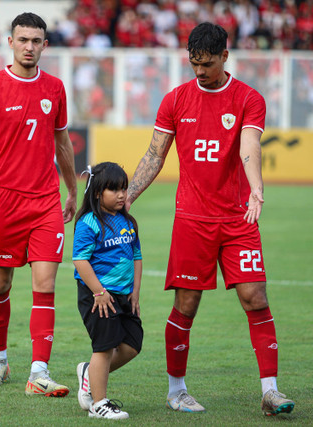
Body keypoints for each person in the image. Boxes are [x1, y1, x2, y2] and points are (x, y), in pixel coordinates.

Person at [126, 22, 295, 416]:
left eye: (206, 63)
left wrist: (256, 188)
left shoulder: (248, 99)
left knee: (255, 297)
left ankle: (270, 391)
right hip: (192, 219)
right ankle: (176, 390)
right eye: (193, 63)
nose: (199, 71)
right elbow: (155, 155)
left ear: (225, 56)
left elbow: (249, 146)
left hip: (238, 218)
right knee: (186, 304)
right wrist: (128, 196)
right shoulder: (175, 100)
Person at [0, 12, 77, 396]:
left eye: (36, 41)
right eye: (23, 39)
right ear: (10, 42)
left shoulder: (55, 88)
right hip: (4, 201)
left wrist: (72, 190)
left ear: (45, 45)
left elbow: (63, 143)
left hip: (45, 203)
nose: (29, 47)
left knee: (45, 283)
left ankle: (39, 371)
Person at [72, 163, 142, 420]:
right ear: (98, 192)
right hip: (99, 296)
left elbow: (137, 256)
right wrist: (99, 292)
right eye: (114, 189)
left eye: (124, 188)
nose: (122, 194)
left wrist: (135, 292)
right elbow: (80, 260)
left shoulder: (127, 221)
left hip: (123, 295)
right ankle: (98, 404)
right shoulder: (89, 222)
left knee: (133, 344)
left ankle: (89, 374)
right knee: (104, 346)